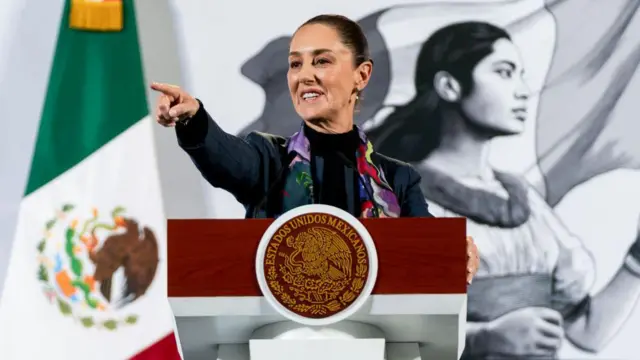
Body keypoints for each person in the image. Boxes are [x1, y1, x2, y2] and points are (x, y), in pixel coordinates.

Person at [366, 21, 640, 359]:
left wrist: (637, 258)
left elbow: (587, 332)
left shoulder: (523, 200)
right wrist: (484, 338)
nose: (523, 90)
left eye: (521, 74)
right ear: (450, 86)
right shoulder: (406, 197)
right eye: (505, 72)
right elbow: (391, 338)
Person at [150, 13, 479, 284]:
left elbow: (430, 253)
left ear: (361, 75)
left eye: (321, 61)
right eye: (295, 64)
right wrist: (192, 118)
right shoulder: (269, 161)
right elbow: (224, 157)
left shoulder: (399, 180)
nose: (304, 76)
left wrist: (454, 253)